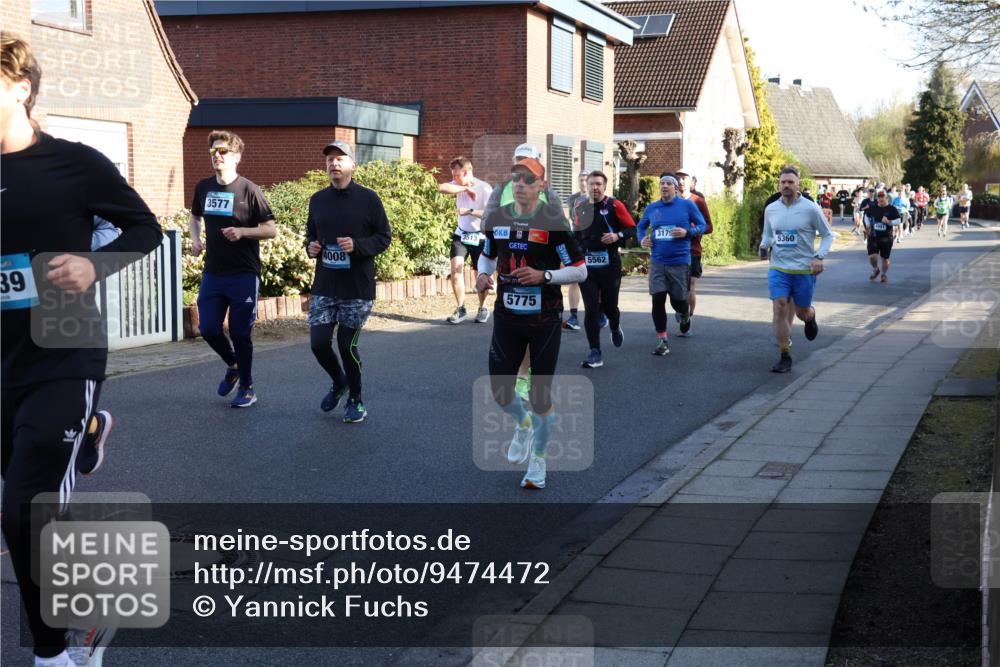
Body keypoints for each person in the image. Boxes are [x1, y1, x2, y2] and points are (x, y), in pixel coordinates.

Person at [1, 31, 163, 667]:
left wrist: (95, 265)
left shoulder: (74, 164)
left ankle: (55, 654)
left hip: (63, 354)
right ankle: (90, 433)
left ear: (21, 88)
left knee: (23, 514)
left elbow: (145, 227)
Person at [477, 157, 586, 489]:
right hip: (507, 317)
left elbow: (581, 270)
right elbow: (488, 254)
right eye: (515, 178)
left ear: (542, 185)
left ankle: (538, 462)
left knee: (540, 395)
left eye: (528, 179)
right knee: (500, 391)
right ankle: (522, 425)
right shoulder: (498, 219)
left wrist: (545, 275)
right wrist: (483, 273)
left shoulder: (554, 224)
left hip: (545, 319)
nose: (520, 183)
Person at [189, 130, 277, 408]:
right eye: (214, 151)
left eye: (223, 151)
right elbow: (194, 215)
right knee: (209, 328)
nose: (217, 155)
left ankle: (248, 387)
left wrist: (242, 232)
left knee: (240, 333)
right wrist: (195, 239)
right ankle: (234, 364)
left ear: (236, 157)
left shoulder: (249, 190)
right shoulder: (203, 187)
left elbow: (270, 229)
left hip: (243, 274)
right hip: (213, 273)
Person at [306, 139, 392, 423]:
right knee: (318, 343)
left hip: (357, 287)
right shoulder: (317, 200)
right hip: (325, 285)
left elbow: (384, 238)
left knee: (346, 345)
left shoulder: (369, 199)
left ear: (353, 165)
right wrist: (311, 248)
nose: (333, 163)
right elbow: (310, 238)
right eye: (330, 159)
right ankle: (339, 381)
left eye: (340, 158)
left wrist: (357, 246)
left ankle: (356, 398)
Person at [483, 145, 563, 402]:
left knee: (533, 325)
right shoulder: (501, 189)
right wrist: (485, 271)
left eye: (529, 163)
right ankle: (519, 374)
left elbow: (560, 225)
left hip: (538, 260)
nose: (521, 181)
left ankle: (525, 375)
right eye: (519, 161)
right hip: (509, 257)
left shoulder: (549, 194)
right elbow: (488, 222)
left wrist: (550, 271)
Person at [759, 165, 832, 373]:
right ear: (779, 184)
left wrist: (819, 256)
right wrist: (764, 246)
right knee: (779, 306)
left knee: (801, 312)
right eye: (783, 182)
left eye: (791, 182)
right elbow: (768, 234)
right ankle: (784, 354)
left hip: (803, 270)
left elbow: (827, 235)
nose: (787, 185)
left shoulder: (810, 208)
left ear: (798, 184)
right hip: (779, 268)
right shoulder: (771, 208)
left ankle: (811, 316)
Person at [636, 173, 707, 356]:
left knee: (678, 301)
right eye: (662, 183)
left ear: (675, 187)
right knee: (657, 299)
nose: (664, 186)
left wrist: (687, 232)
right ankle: (662, 340)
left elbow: (703, 225)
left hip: (680, 262)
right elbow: (641, 226)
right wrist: (642, 238)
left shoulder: (687, 205)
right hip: (658, 261)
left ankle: (684, 314)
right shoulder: (652, 208)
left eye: (668, 183)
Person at [572, 170, 636, 368]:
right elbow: (575, 235)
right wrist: (576, 254)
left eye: (599, 184)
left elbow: (632, 228)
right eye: (591, 184)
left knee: (610, 306)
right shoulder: (580, 207)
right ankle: (595, 352)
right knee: (590, 308)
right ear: (586, 186)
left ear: (605, 186)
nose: (595, 187)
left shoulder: (614, 205)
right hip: (588, 266)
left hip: (610, 264)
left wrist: (617, 236)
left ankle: (615, 326)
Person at [438, 157, 492, 324]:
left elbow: (490, 214)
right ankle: (461, 308)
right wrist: (463, 188)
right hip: (461, 235)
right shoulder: (458, 186)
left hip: (480, 237)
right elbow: (441, 187)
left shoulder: (485, 188)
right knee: (455, 269)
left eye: (457, 175)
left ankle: (482, 308)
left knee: (480, 275)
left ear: (467, 172)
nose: (453, 178)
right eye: (452, 175)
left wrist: (469, 210)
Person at [675, 167, 713, 337]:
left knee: (690, 286)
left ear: (691, 182)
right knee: (675, 288)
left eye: (685, 178)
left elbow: (709, 227)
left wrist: (691, 229)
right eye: (679, 178)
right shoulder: (668, 200)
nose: (681, 181)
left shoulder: (698, 201)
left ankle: (687, 319)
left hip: (692, 249)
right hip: (673, 250)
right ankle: (681, 309)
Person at [563, 170, 590, 331]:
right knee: (574, 277)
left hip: (592, 241)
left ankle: (599, 313)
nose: (583, 183)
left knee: (593, 278)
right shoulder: (572, 198)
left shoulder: (596, 198)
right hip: (576, 240)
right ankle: (574, 316)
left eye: (586, 180)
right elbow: (567, 218)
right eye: (581, 180)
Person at [864, 189, 901, 283]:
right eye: (879, 197)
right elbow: (866, 216)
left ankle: (883, 274)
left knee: (885, 259)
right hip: (874, 236)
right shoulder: (872, 208)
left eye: (882, 197)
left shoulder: (892, 209)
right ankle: (876, 269)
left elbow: (898, 221)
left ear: (886, 197)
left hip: (886, 238)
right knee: (872, 256)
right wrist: (867, 225)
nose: (881, 199)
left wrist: (889, 222)